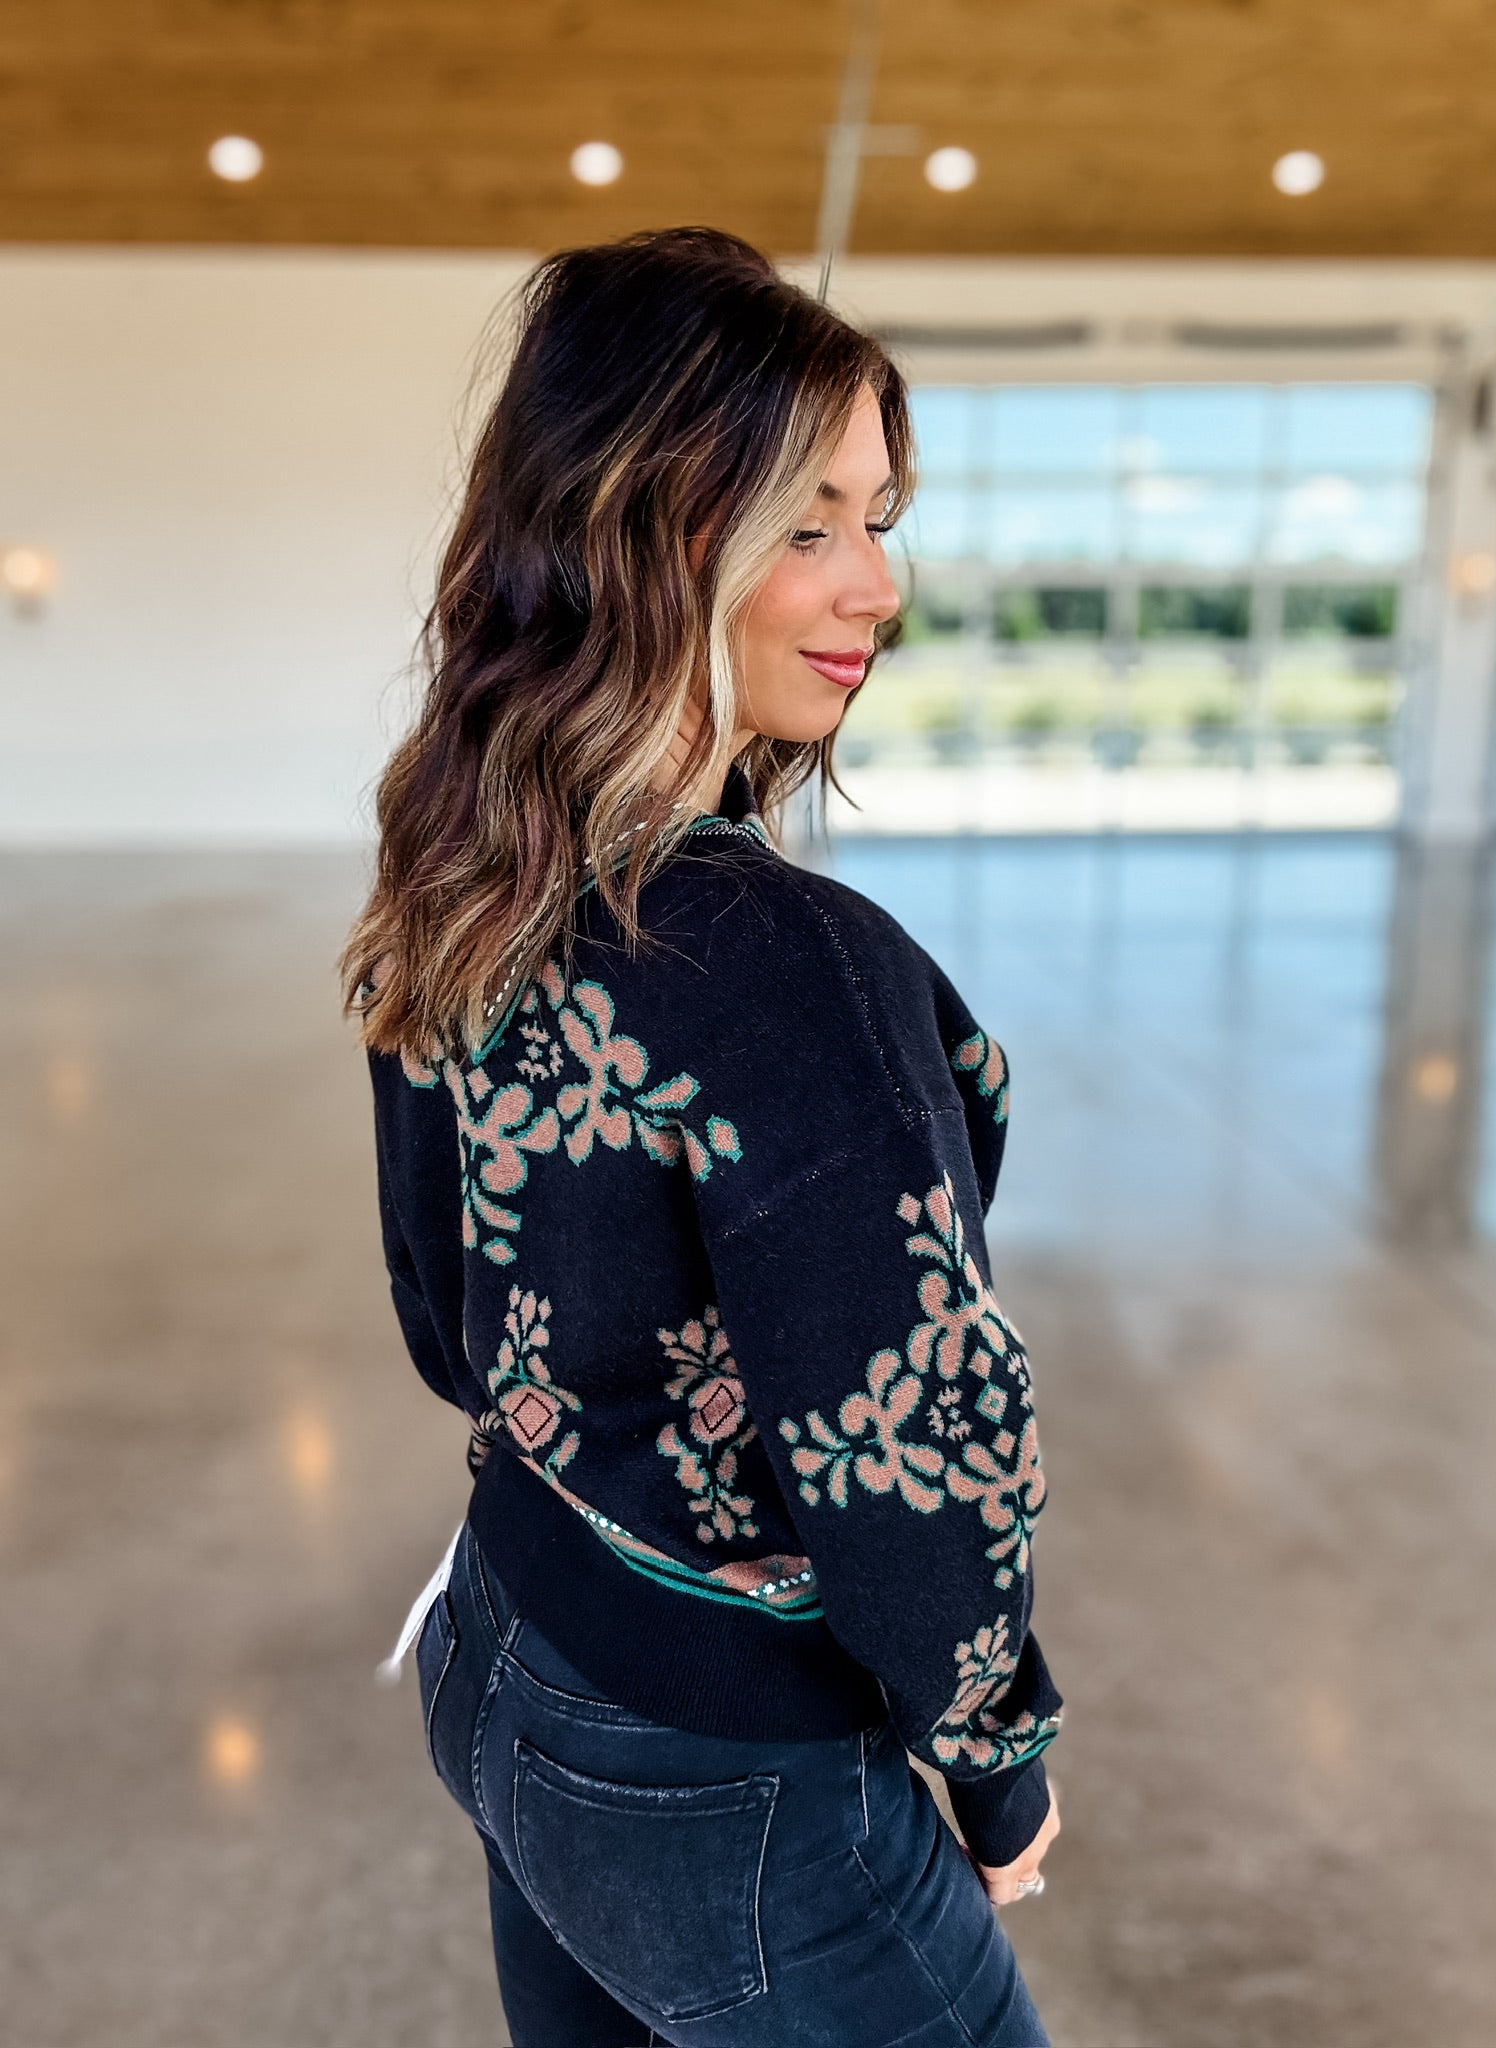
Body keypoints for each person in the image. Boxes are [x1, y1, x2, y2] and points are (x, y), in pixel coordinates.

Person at [341, 225, 1064, 2048]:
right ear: (646, 534)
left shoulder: (466, 865)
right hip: (729, 1782)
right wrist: (997, 1762)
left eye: (879, 518)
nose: (877, 584)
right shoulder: (798, 970)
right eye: (808, 527)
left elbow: (445, 1315)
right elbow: (912, 1439)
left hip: (510, 1641)